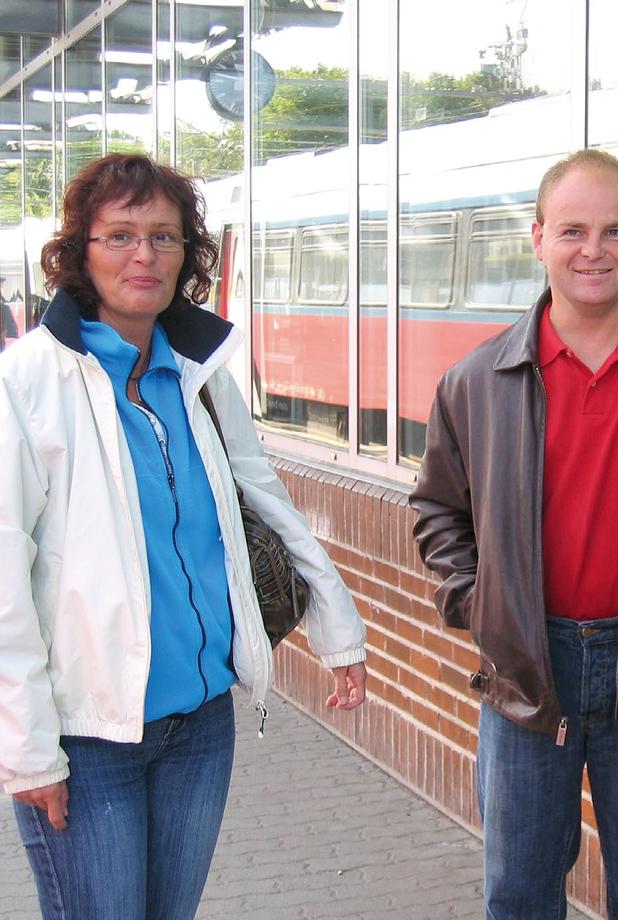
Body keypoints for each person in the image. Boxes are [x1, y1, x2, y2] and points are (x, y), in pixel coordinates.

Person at [0, 153, 368, 920]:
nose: (145, 256)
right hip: (89, 735)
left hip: (200, 724)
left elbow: (264, 499)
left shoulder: (199, 374)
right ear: (79, 252)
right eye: (120, 236)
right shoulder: (29, 381)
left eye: (164, 238)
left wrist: (338, 629)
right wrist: (28, 747)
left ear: (189, 255)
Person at [410, 148, 618, 919]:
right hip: (528, 668)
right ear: (537, 237)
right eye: (573, 231)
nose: (594, 250)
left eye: (614, 231)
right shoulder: (476, 381)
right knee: (519, 895)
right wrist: (480, 603)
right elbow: (436, 511)